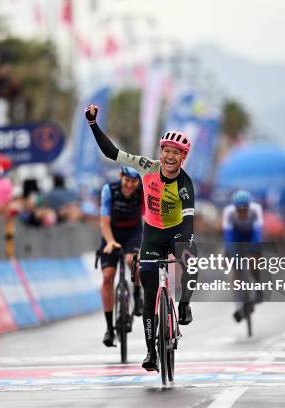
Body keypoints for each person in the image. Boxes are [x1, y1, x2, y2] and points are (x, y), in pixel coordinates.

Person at [85, 104, 197, 371]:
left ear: (183, 158)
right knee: (149, 295)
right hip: (152, 233)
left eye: (176, 153)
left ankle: (183, 305)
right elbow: (112, 153)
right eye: (167, 151)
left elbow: (190, 222)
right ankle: (150, 353)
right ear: (161, 153)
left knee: (190, 258)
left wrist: (184, 248)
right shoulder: (147, 167)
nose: (170, 156)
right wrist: (92, 124)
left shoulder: (185, 184)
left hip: (178, 229)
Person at [99, 166, 145, 347]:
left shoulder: (141, 191)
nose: (129, 186)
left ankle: (137, 291)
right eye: (127, 181)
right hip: (111, 233)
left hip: (133, 233)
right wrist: (110, 241)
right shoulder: (109, 190)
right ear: (120, 177)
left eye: (133, 182)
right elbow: (104, 222)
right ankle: (109, 329)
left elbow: (146, 217)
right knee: (107, 277)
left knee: (131, 261)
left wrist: (146, 242)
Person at [222, 189, 264, 322]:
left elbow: (258, 232)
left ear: (249, 206)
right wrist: (230, 253)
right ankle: (239, 305)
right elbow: (228, 235)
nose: (242, 212)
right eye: (239, 209)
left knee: (254, 261)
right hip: (236, 235)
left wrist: (254, 249)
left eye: (244, 208)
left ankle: (258, 290)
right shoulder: (228, 212)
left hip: (251, 234)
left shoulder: (256, 209)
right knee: (235, 269)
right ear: (234, 207)